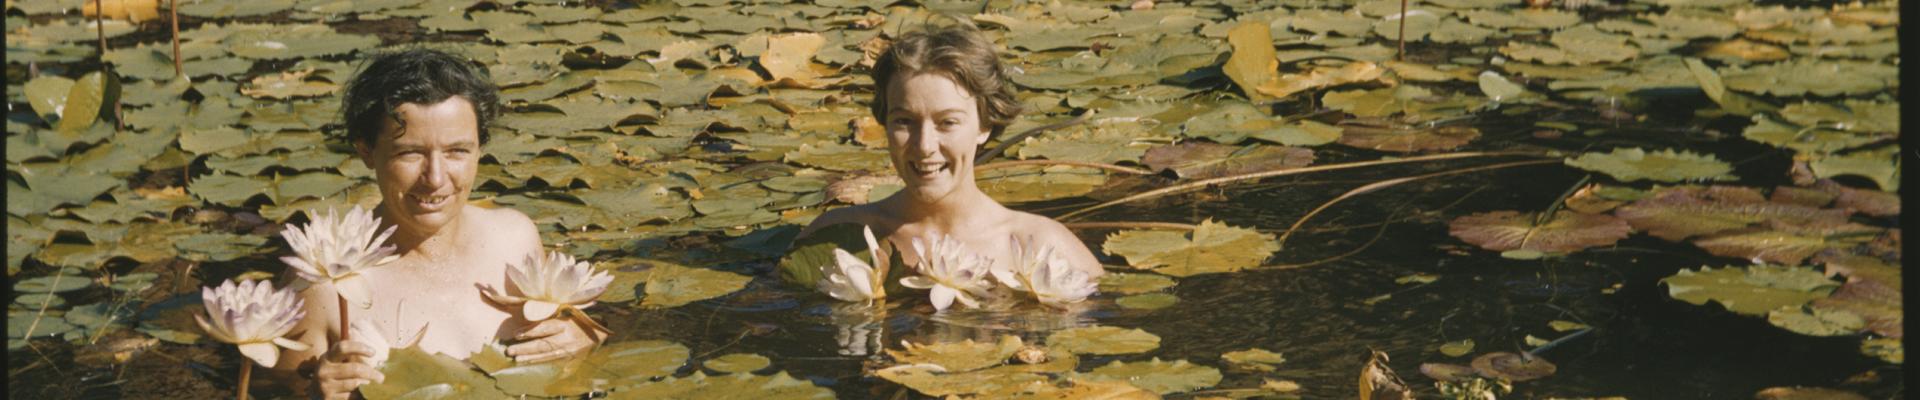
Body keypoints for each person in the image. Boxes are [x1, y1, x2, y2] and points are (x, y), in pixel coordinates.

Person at [270, 49, 602, 399]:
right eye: (409, 153)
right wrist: (311, 394)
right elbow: (265, 391)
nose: (435, 178)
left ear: (480, 148)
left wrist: (586, 337)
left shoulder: (514, 239)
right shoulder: (321, 285)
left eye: (457, 151)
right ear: (366, 150)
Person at [800, 23, 1105, 295]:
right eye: (904, 121)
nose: (924, 146)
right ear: (884, 121)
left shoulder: (1044, 246)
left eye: (947, 122)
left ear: (985, 124)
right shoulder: (833, 239)